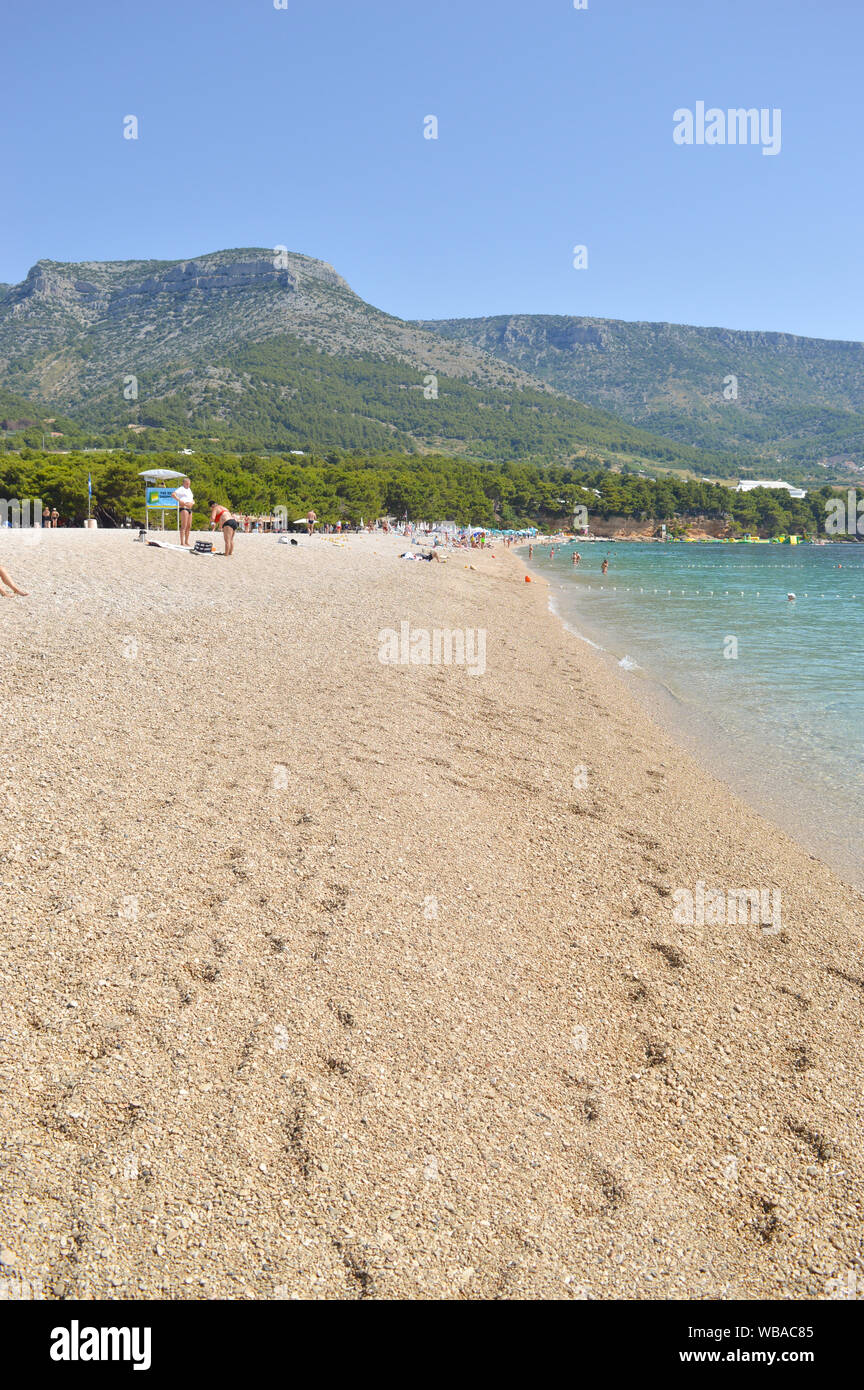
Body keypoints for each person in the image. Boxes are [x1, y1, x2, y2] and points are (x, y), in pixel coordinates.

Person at [172, 477, 194, 547]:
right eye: (187, 484)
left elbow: (192, 499)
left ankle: (186, 541)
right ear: (184, 483)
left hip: (190, 508)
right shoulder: (181, 489)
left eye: (189, 484)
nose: (188, 485)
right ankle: (182, 542)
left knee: (189, 526)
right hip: (184, 507)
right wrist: (180, 501)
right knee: (183, 525)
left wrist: (193, 503)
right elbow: (173, 494)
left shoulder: (189, 490)